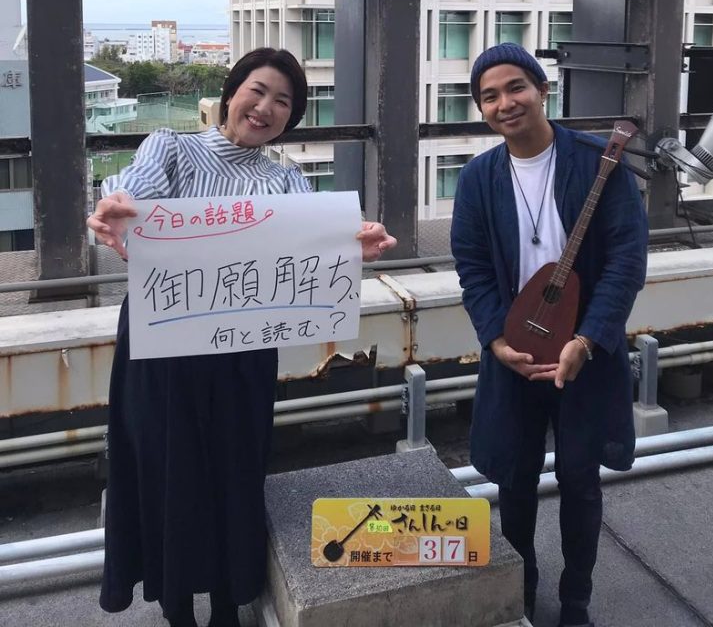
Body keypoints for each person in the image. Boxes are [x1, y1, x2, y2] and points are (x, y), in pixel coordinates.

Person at [88, 47, 396, 627]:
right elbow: (131, 189)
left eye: (283, 101)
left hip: (242, 349)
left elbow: (323, 240)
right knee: (168, 467)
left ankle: (229, 602)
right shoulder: (171, 148)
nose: (265, 107)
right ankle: (176, 604)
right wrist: (116, 206)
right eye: (257, 90)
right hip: (164, 345)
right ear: (232, 93)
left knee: (236, 469)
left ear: (291, 117)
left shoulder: (286, 179)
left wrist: (358, 242)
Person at [450, 43, 647, 627]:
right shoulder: (478, 177)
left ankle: (575, 601)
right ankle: (523, 591)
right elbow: (473, 268)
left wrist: (587, 341)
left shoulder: (598, 162)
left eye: (516, 87)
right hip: (515, 347)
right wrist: (496, 340)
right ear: (481, 109)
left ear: (542, 89)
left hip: (583, 350)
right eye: (490, 96)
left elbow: (626, 261)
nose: (505, 103)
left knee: (580, 480)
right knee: (514, 482)